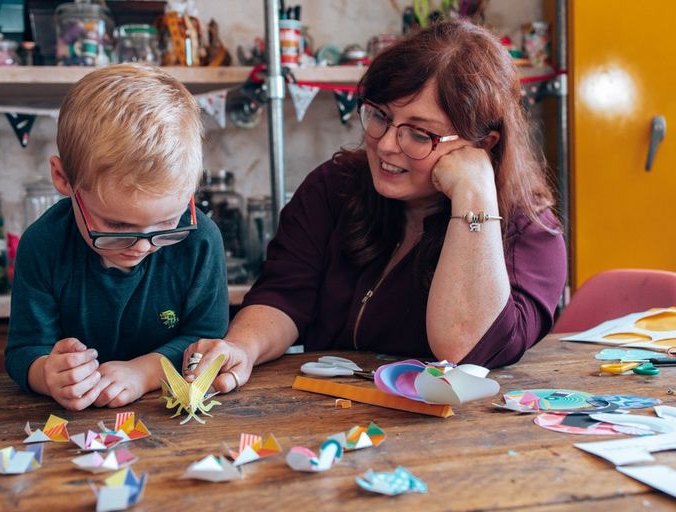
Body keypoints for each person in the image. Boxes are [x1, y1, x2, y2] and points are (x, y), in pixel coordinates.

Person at [184, 20, 567, 392]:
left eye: (419, 133)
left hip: (462, 441)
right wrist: (241, 347)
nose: (385, 145)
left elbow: (461, 348)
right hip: (332, 421)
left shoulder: (530, 233)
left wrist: (474, 193)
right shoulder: (335, 187)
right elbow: (283, 296)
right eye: (380, 116)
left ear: (483, 144)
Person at [5, 64, 229, 411]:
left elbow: (205, 342)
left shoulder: (200, 240)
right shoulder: (42, 244)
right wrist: (48, 374)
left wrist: (142, 373)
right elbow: (24, 351)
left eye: (168, 222)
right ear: (63, 179)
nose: (142, 245)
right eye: (116, 226)